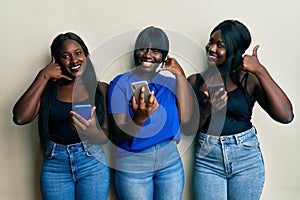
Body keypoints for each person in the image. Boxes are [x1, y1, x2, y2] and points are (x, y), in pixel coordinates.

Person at [187, 19, 294, 200]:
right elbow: (187, 130)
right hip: (208, 162)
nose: (212, 48)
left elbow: (286, 115)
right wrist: (207, 110)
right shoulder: (195, 81)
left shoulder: (248, 80)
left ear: (234, 50)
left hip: (246, 161)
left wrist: (260, 70)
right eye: (211, 41)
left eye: (220, 45)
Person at [12, 32, 110, 200]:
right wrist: (44, 75)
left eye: (78, 53)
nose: (74, 60)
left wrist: (90, 131)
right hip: (55, 166)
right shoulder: (48, 90)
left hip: (92, 165)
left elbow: (105, 137)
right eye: (66, 56)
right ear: (56, 61)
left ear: (85, 55)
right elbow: (20, 118)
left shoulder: (100, 89)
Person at [107, 26, 193, 200]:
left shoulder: (170, 83)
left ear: (164, 56)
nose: (148, 54)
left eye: (155, 50)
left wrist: (180, 75)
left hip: (170, 162)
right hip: (133, 164)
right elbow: (116, 135)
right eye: (143, 49)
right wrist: (139, 119)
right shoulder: (120, 83)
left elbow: (186, 120)